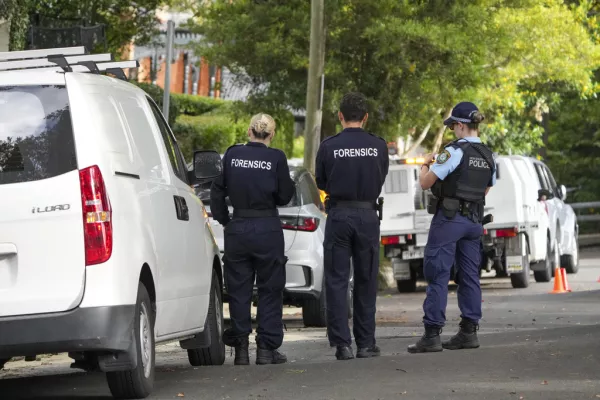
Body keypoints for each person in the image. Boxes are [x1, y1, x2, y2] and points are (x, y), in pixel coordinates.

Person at [407, 101, 496, 354]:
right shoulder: (489, 156)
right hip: (474, 222)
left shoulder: (453, 152)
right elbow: (485, 189)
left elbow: (426, 183)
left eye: (452, 127)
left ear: (459, 125)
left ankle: (432, 335)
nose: (452, 132)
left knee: (437, 274)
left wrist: (425, 163)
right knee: (469, 276)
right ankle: (469, 332)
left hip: (449, 220)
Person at [210, 113, 295, 365]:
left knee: (238, 290)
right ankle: (266, 350)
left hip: (239, 227)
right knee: (270, 289)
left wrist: (226, 221)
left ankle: (241, 350)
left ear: (249, 131)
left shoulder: (233, 155)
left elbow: (217, 192)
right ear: (271, 134)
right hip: (268, 228)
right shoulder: (276, 157)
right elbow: (284, 196)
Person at [315, 92, 389, 361]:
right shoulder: (378, 146)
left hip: (339, 216)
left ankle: (342, 344)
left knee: (336, 281)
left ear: (340, 116)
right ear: (366, 117)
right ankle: (366, 344)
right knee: (366, 279)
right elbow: (381, 176)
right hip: (368, 216)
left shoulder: (328, 146)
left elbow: (321, 182)